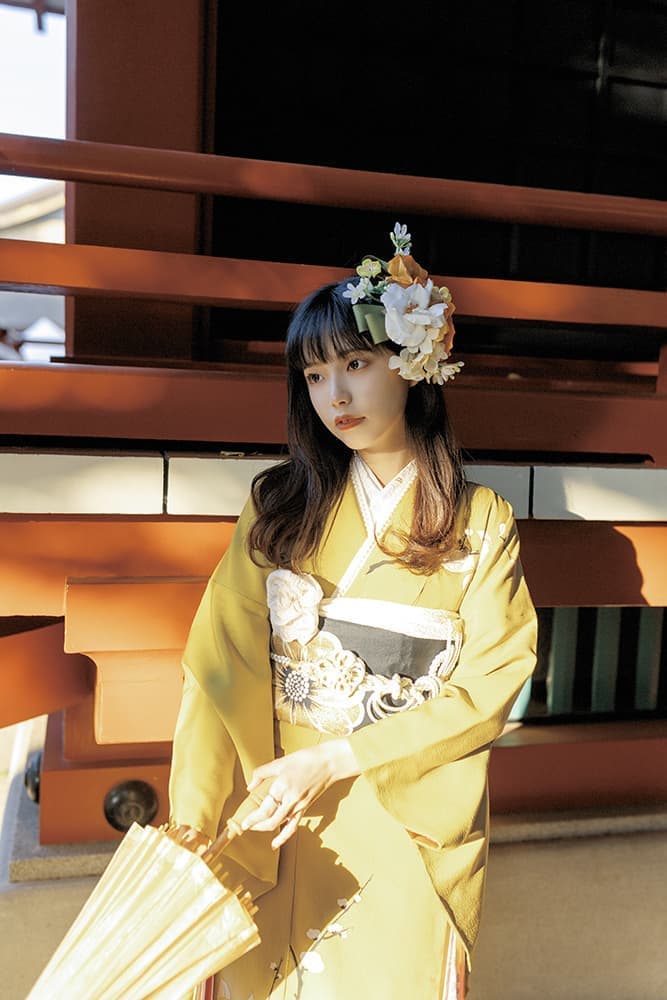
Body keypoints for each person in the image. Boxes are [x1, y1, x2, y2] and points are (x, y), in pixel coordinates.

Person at [168, 222, 538, 999]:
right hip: (272, 798)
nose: (333, 393)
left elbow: (490, 685)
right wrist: (194, 828)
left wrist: (338, 758)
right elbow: (216, 674)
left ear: (413, 363)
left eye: (356, 364)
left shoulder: (480, 521)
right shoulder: (276, 508)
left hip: (402, 799)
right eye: (313, 374)